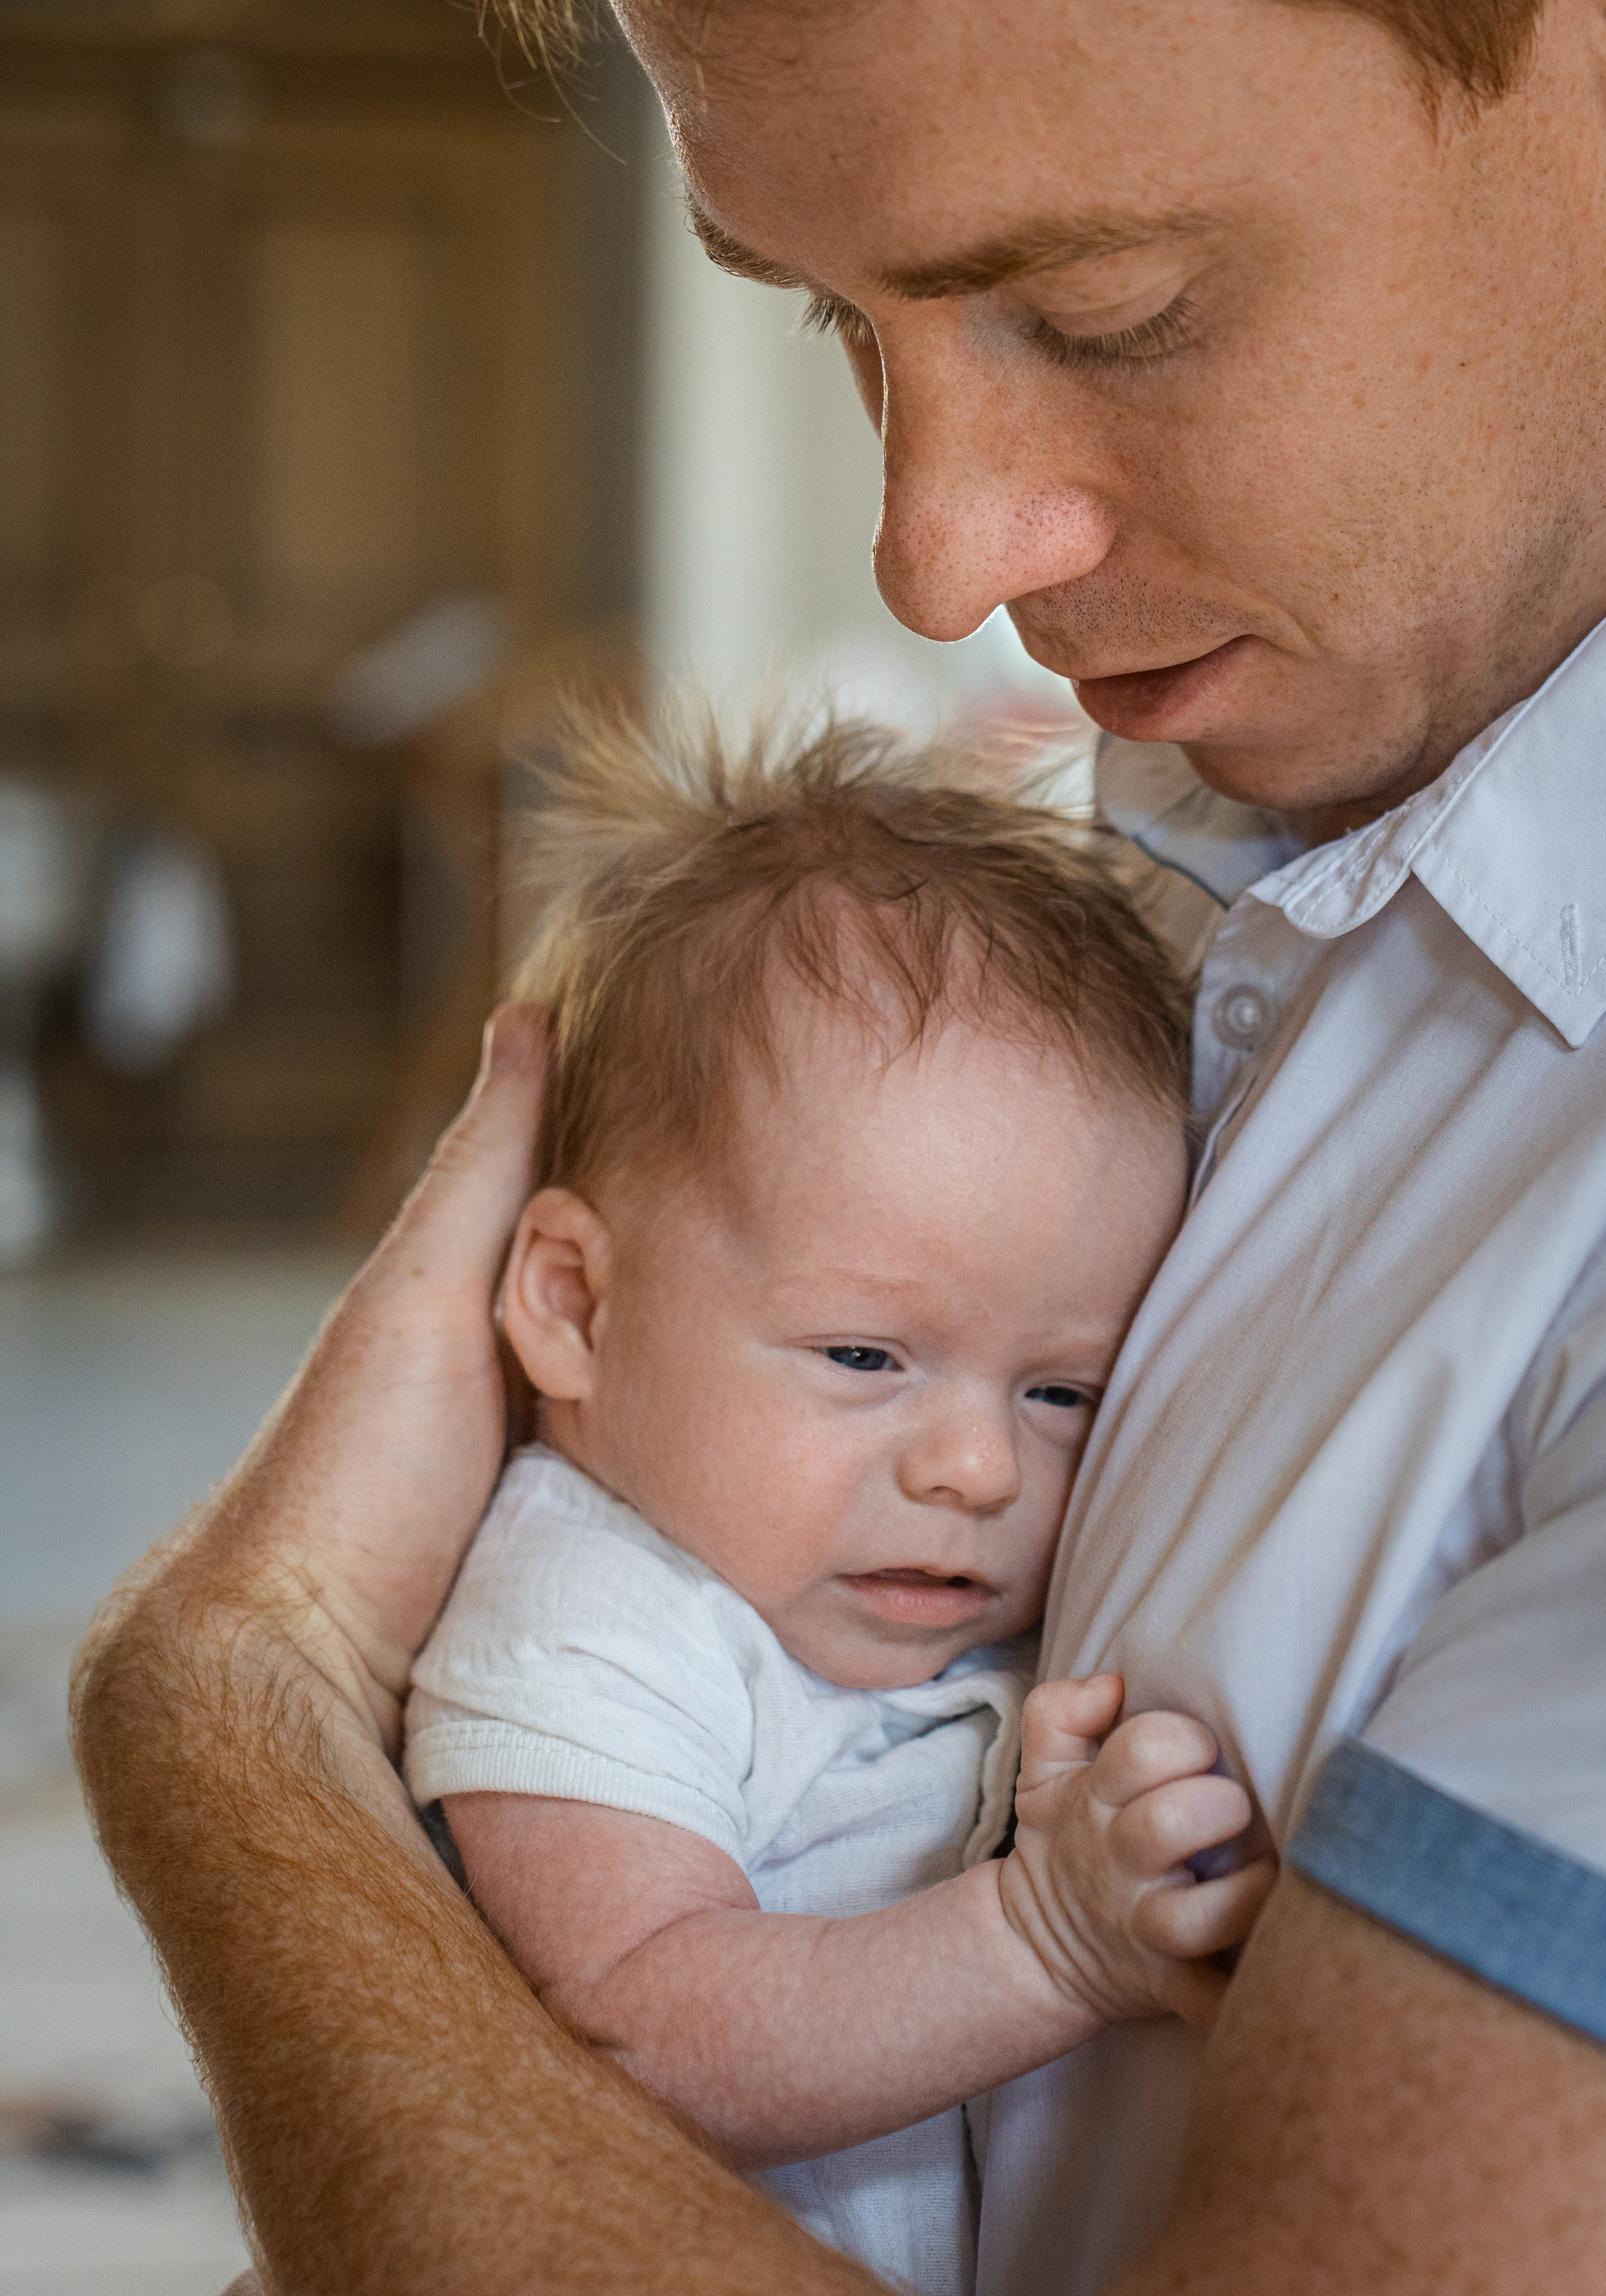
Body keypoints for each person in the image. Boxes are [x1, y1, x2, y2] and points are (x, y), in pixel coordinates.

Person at [72, 0, 1606, 2291]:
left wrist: (221, 1712)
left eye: (1115, 313)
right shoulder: (1207, 819)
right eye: (834, 320)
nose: (938, 555)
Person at [403, 709, 1272, 2295]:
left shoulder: (920, 1602)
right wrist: (1043, 1941)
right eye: (865, 1354)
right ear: (575, 1306)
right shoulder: (593, 1615)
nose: (976, 1468)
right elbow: (633, 2020)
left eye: (1057, 1391)